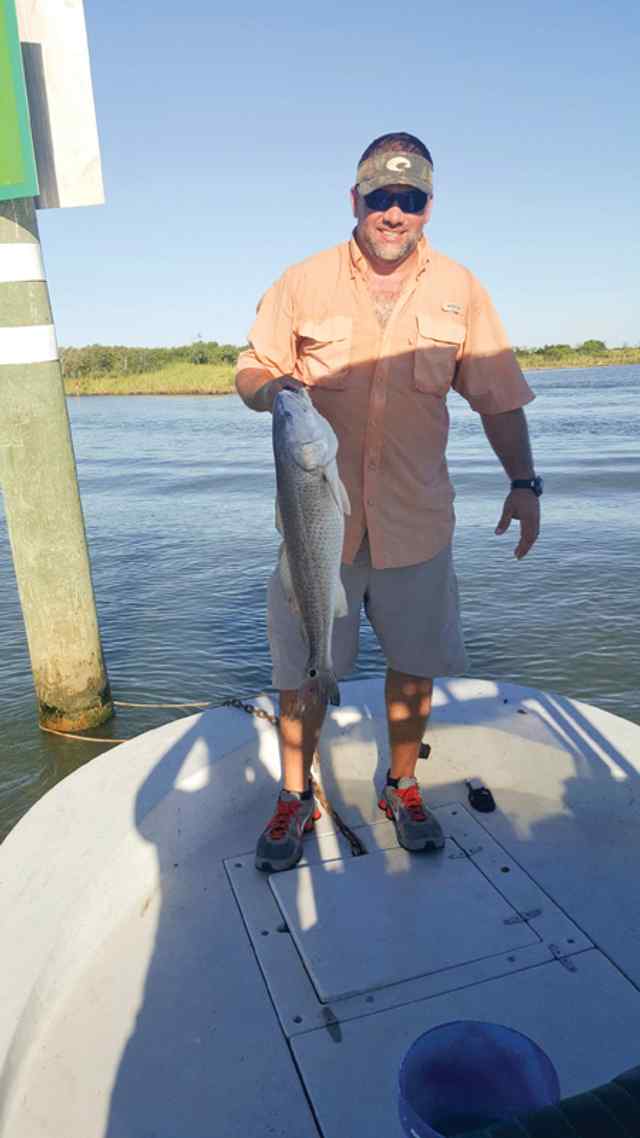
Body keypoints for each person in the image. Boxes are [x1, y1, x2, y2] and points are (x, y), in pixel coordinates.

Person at [235, 131, 541, 873]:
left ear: (429, 207)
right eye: (381, 197)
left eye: (410, 199)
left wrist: (525, 484)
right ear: (356, 200)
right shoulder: (301, 282)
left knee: (414, 667)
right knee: (300, 669)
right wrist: (277, 390)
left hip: (418, 524)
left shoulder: (461, 290)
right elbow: (252, 368)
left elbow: (498, 399)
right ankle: (293, 795)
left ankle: (402, 784)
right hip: (318, 536)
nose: (394, 212)